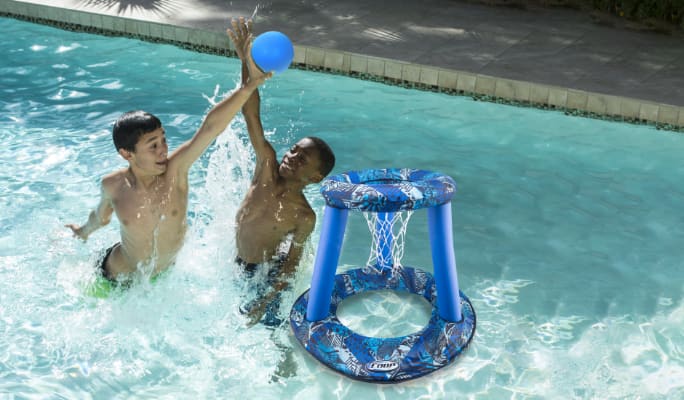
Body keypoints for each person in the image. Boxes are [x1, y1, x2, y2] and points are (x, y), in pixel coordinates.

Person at [66, 25, 272, 284]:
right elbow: (101, 216)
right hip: (113, 276)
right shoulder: (113, 185)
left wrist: (247, 87)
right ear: (127, 154)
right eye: (152, 145)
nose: (163, 149)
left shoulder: (176, 171)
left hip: (160, 280)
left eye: (163, 139)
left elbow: (209, 128)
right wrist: (82, 232)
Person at [228, 18, 335, 326]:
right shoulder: (266, 166)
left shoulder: (304, 217)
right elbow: (251, 112)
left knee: (272, 330)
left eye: (303, 160)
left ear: (316, 177)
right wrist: (246, 61)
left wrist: (265, 299)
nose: (292, 158)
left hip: (264, 274)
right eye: (294, 151)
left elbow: (291, 266)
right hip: (236, 262)